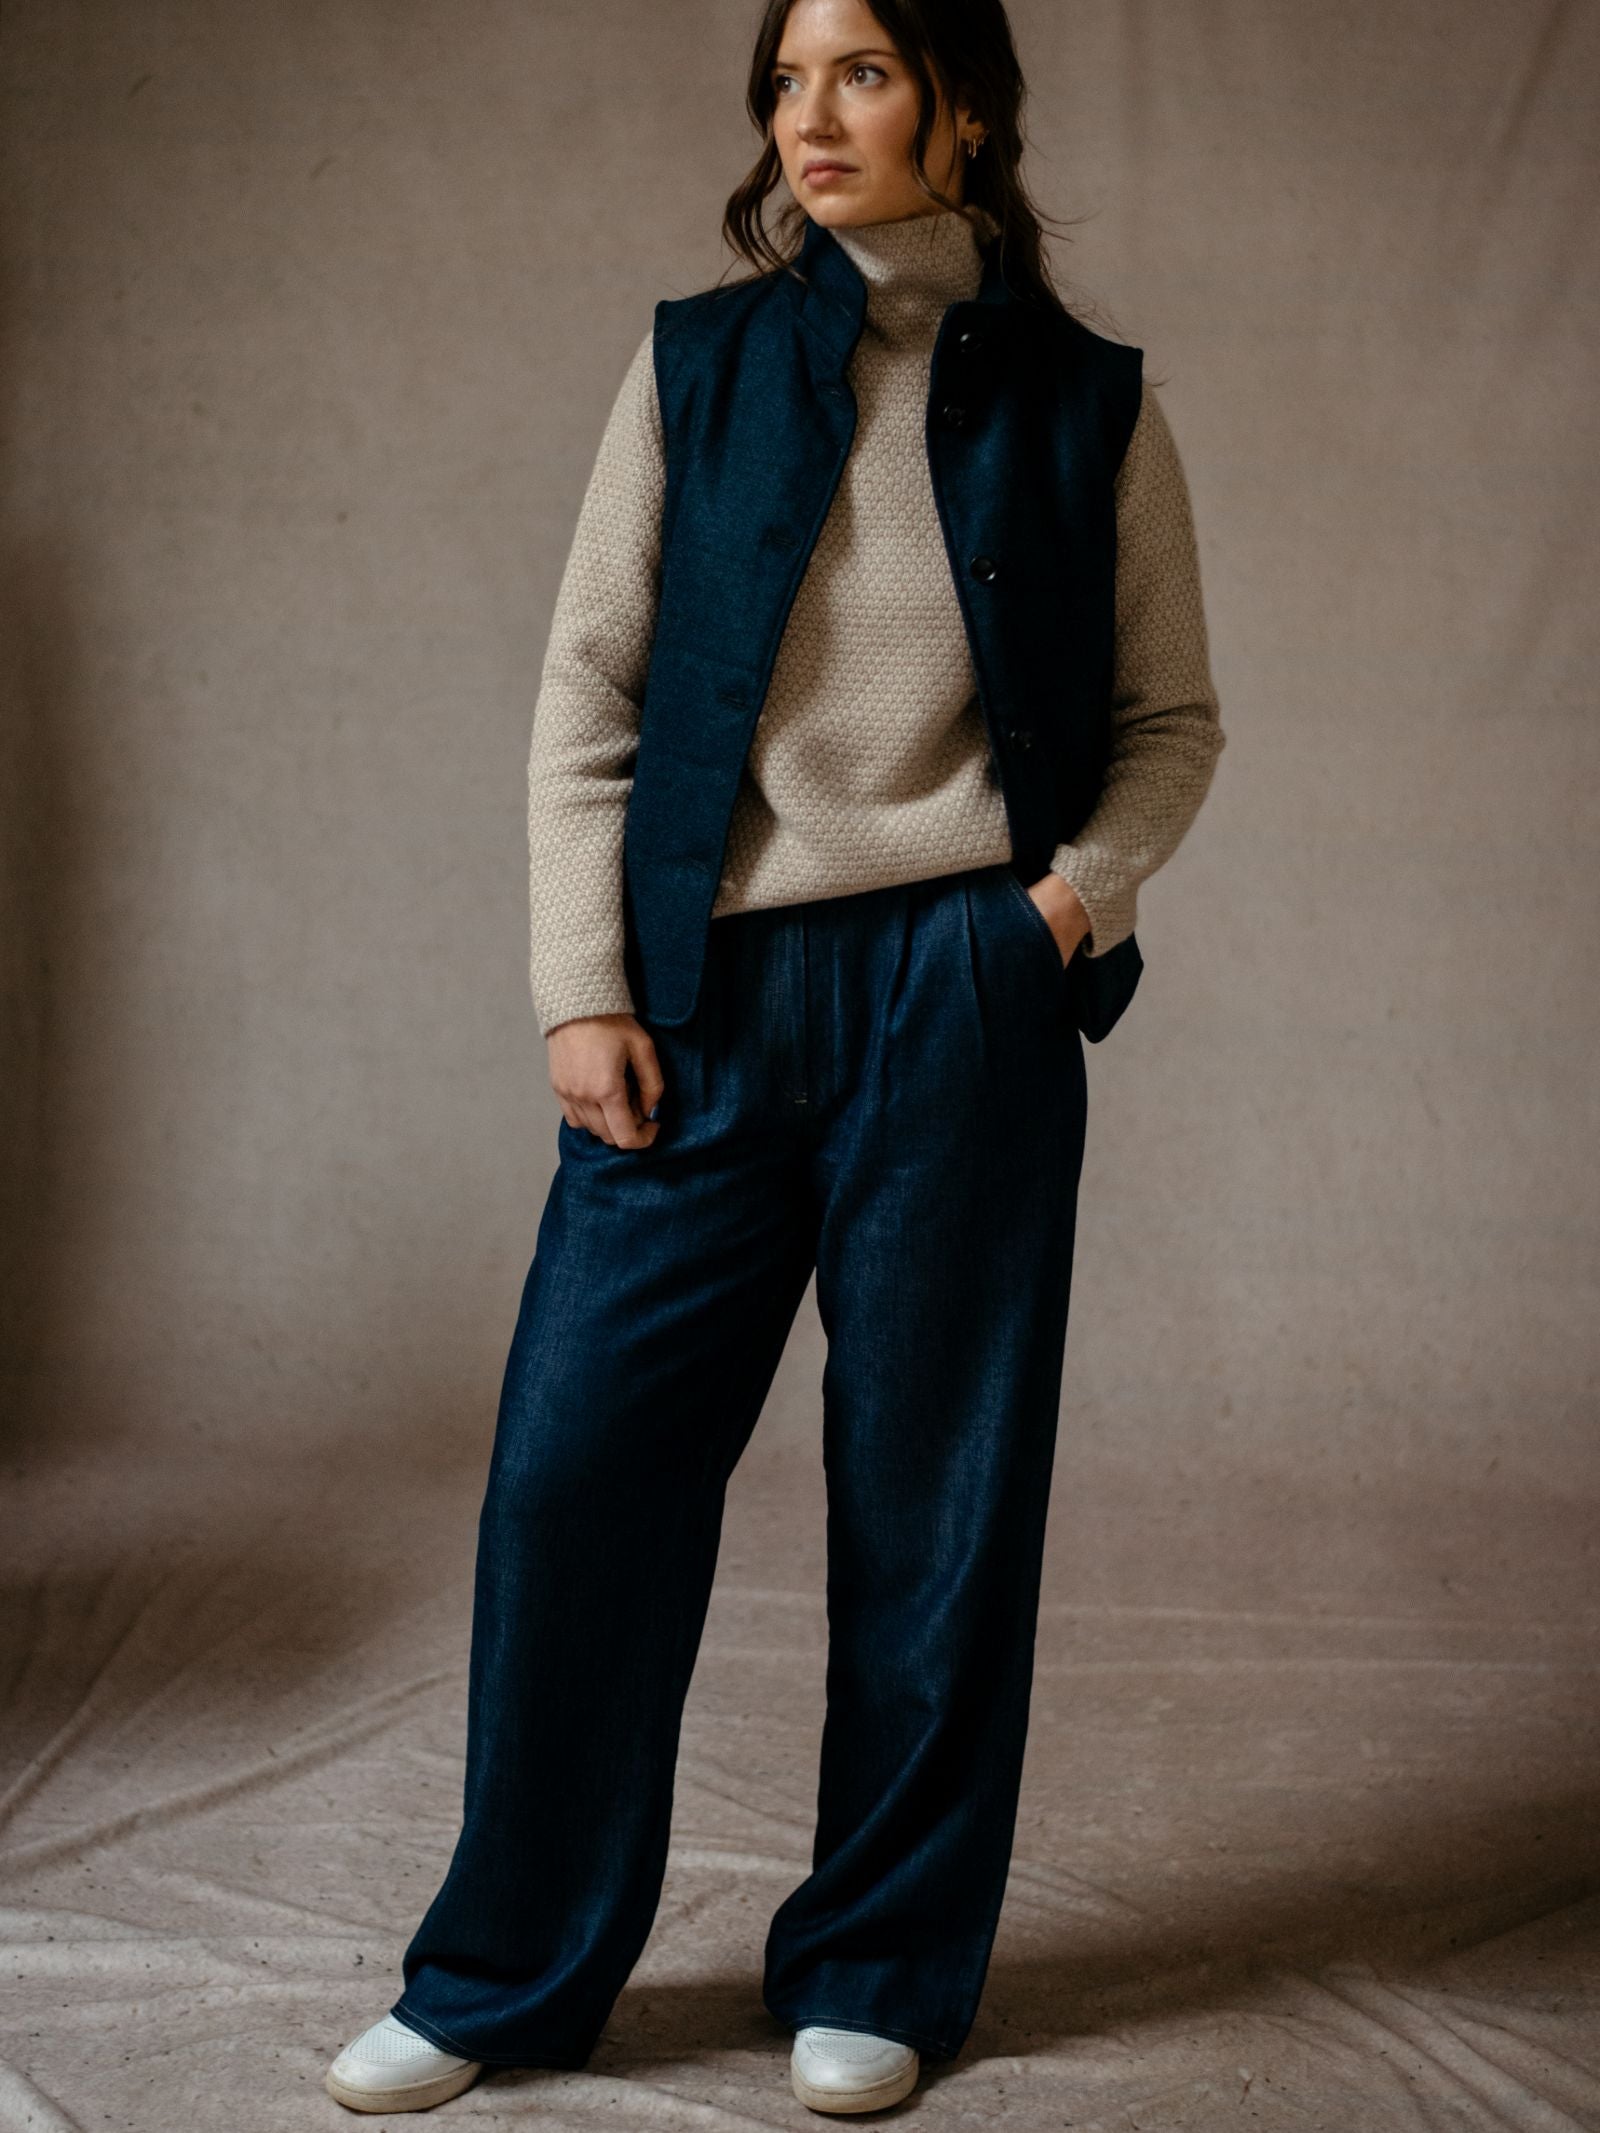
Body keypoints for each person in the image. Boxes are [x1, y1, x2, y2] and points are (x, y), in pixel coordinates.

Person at [325, 0, 1225, 2114]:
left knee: (934, 1496)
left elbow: (1173, 720)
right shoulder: (695, 364)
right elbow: (588, 689)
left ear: (960, 105)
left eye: (862, 70)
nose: (806, 116)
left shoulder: (1088, 407)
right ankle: (497, 1975)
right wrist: (579, 985)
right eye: (787, 74)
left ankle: (879, 1966)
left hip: (961, 990)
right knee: (575, 1484)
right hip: (705, 993)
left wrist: (1051, 917)